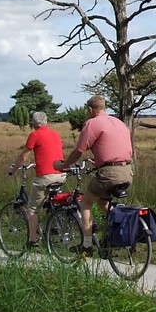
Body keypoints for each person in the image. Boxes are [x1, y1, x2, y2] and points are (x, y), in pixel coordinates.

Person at [56, 95, 133, 256]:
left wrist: (64, 165)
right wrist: (99, 162)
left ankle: (86, 246)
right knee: (101, 200)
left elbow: (79, 150)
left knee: (85, 202)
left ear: (90, 109)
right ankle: (120, 228)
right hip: (127, 171)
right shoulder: (119, 122)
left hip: (109, 173)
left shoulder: (92, 123)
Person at [6, 111, 65, 246]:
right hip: (61, 175)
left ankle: (32, 240)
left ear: (34, 123)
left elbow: (24, 156)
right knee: (49, 200)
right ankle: (52, 223)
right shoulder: (55, 134)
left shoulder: (35, 135)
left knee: (32, 209)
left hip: (45, 177)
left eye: (32, 122)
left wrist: (14, 169)